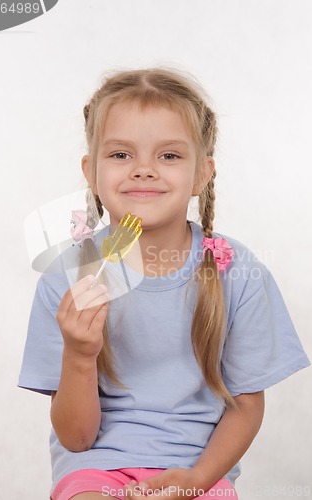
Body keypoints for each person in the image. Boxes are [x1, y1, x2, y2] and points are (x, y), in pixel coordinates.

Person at [18, 67, 310, 500]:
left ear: (201, 174)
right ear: (90, 170)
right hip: (95, 467)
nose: (143, 171)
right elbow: (76, 439)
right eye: (120, 155)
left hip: (198, 468)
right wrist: (80, 356)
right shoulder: (67, 275)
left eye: (168, 156)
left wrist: (198, 480)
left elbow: (247, 406)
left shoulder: (236, 272)